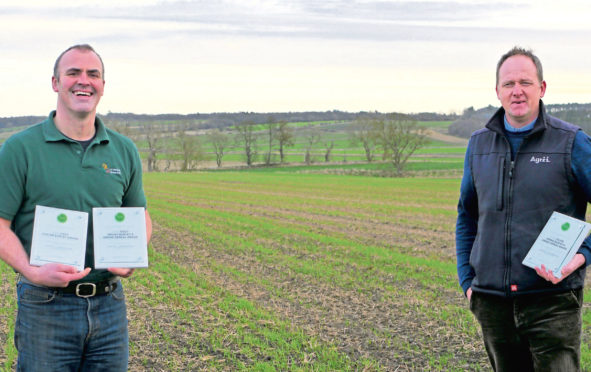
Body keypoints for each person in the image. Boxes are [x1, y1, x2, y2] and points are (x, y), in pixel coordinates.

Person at [0, 44, 152, 371]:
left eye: (92, 74)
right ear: (56, 82)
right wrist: (31, 271)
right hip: (45, 305)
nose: (84, 81)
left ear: (102, 86)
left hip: (109, 302)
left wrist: (133, 250)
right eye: (73, 73)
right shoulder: (19, 149)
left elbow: (140, 215)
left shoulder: (124, 150)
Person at [456, 46, 591, 371]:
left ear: (541, 88)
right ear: (498, 91)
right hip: (492, 304)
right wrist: (468, 282)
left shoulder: (571, 142)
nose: (517, 91)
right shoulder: (479, 145)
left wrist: (582, 253)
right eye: (509, 83)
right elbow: (467, 216)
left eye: (526, 82)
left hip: (552, 301)